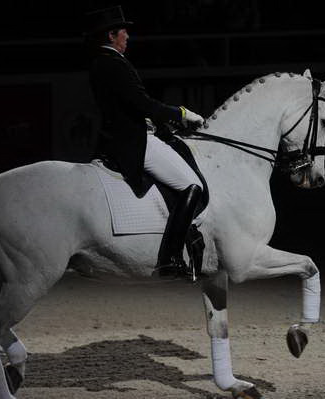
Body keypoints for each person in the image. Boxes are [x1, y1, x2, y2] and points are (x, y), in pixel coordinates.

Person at [85, 5, 205, 280]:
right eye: (123, 31)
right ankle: (170, 258)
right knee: (193, 185)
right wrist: (180, 113)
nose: (128, 36)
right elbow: (141, 103)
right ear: (111, 34)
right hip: (133, 141)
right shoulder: (110, 63)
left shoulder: (106, 62)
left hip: (131, 134)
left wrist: (164, 124)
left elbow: (134, 107)